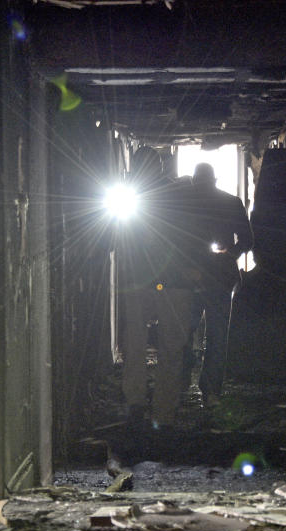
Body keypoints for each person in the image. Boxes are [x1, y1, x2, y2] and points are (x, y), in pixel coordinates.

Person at [116, 147, 203, 427]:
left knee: (141, 343)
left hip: (149, 278)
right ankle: (158, 409)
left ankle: (141, 405)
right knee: (165, 346)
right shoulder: (173, 196)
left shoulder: (133, 199)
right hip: (166, 280)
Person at [185, 162, 254, 407]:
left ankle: (180, 387)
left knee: (184, 332)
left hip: (191, 279)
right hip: (219, 278)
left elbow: (175, 242)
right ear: (215, 180)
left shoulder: (186, 205)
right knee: (216, 336)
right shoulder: (230, 203)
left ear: (195, 180)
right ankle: (210, 391)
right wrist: (229, 254)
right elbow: (247, 240)